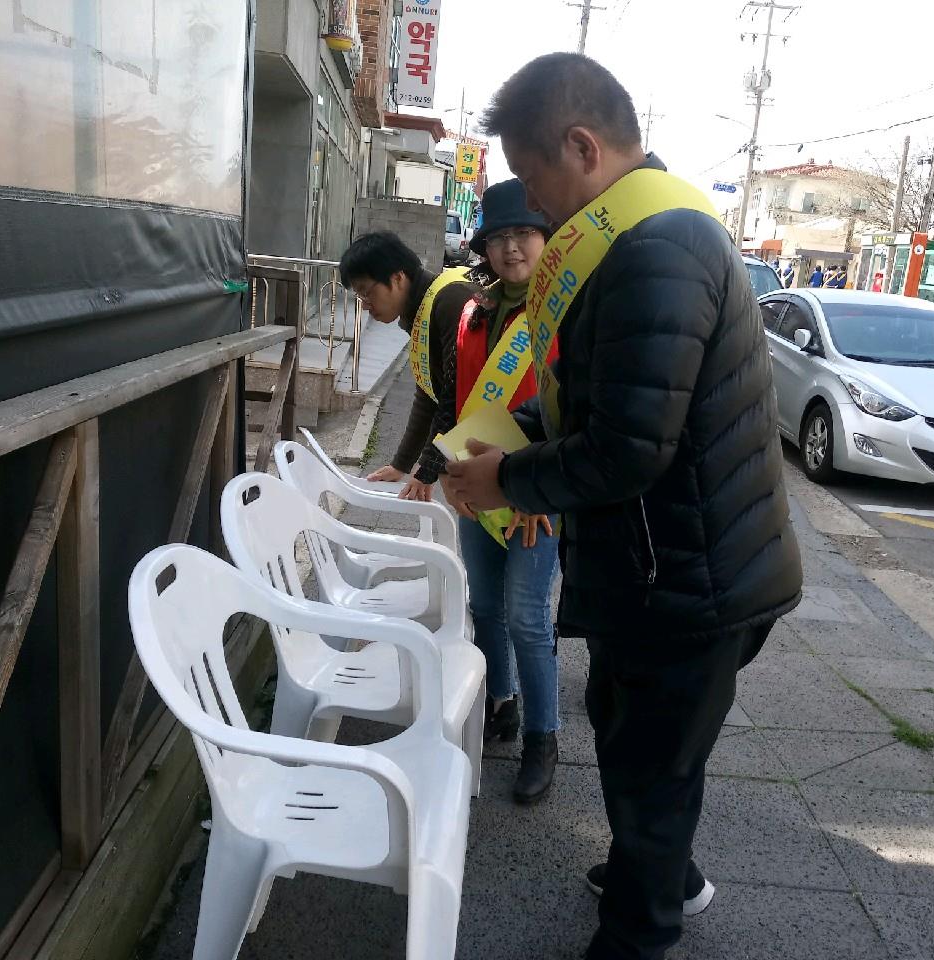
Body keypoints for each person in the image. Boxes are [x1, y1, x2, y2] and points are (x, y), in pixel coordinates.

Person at [446, 53, 803, 960]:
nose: (536, 204)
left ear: (582, 145)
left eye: (534, 177)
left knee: (650, 765)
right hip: (673, 563)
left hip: (690, 575)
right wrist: (517, 430)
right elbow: (598, 399)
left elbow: (631, 448)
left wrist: (508, 481)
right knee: (639, 741)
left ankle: (640, 931)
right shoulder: (641, 235)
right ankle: (665, 872)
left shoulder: (657, 248)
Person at [442, 178, 562, 804]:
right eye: (500, 238)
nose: (512, 248)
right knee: (485, 607)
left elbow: (570, 416)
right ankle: (502, 704)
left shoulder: (568, 312)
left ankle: (544, 735)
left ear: (546, 238)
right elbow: (460, 403)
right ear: (484, 248)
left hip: (538, 492)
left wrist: (536, 491)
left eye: (524, 234)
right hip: (478, 487)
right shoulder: (472, 316)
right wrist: (453, 476)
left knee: (526, 618)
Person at [339, 232, 478, 499]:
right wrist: (402, 464)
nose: (366, 305)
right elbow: (429, 392)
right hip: (481, 443)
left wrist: (428, 469)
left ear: (398, 277)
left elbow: (455, 395)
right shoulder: (423, 307)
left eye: (367, 293)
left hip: (512, 447)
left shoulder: (449, 302)